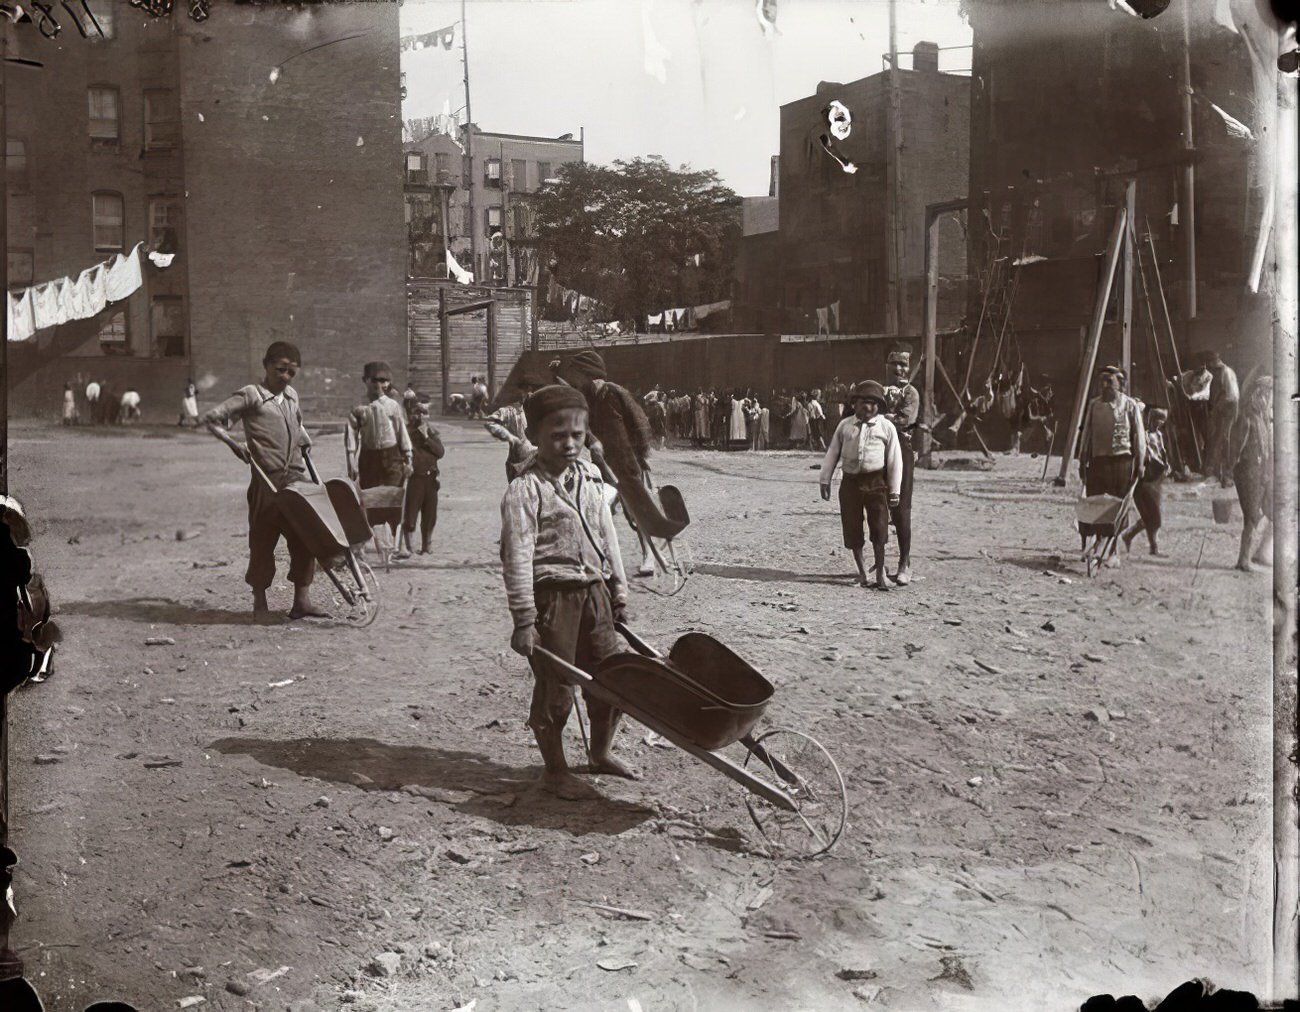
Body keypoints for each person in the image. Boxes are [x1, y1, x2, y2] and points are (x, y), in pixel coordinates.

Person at [499, 384, 635, 800]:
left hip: (595, 591)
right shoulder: (526, 490)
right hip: (554, 599)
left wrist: (619, 588)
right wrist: (524, 620)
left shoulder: (591, 478)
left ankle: (599, 753)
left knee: (613, 677)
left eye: (578, 434)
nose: (570, 444)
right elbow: (517, 556)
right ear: (535, 436)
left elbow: (607, 534)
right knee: (557, 687)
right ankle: (555, 771)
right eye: (559, 436)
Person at [201, 341, 326, 619]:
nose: (285, 377)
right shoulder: (252, 395)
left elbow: (298, 422)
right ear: (266, 366)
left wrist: (303, 440)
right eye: (280, 370)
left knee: (305, 538)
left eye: (291, 372)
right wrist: (235, 445)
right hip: (266, 483)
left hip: (295, 479)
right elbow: (212, 419)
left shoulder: (292, 396)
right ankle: (260, 604)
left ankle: (301, 602)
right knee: (263, 541)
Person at [819, 381, 903, 591]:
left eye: (874, 403)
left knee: (879, 528)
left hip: (876, 484)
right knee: (852, 527)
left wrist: (894, 491)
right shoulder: (845, 426)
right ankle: (863, 573)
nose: (868, 408)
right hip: (850, 483)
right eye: (864, 402)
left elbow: (895, 460)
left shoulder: (886, 427)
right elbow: (833, 452)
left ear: (880, 406)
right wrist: (825, 479)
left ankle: (881, 575)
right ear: (854, 403)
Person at [1077, 366, 1146, 565]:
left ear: (1120, 384)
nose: (1105, 386)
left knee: (1117, 506)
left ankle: (1113, 551)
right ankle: (1098, 544)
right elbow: (1086, 434)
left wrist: (1140, 463)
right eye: (1102, 382)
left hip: (1121, 463)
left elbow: (1139, 437)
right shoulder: (1094, 405)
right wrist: (1083, 460)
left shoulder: (1130, 405)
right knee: (1098, 505)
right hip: (1098, 462)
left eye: (1110, 381)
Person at [346, 361, 414, 558]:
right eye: (374, 380)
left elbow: (402, 432)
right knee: (369, 499)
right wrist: (351, 458)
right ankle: (364, 543)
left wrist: (408, 457)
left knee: (394, 499)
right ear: (365, 381)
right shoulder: (359, 407)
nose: (379, 384)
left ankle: (398, 543)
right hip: (369, 457)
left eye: (384, 380)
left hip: (392, 456)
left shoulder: (392, 406)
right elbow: (351, 433)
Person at [883, 349, 920, 586]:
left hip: (902, 451)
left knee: (901, 508)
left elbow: (905, 420)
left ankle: (904, 562)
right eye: (895, 364)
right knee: (878, 507)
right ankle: (880, 560)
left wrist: (883, 417)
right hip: (879, 451)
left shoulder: (911, 393)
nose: (900, 370)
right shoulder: (878, 390)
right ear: (887, 366)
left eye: (904, 365)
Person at [1230, 375, 1273, 572]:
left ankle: (1251, 555)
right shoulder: (1246, 419)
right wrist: (1230, 471)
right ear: (1254, 397)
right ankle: (1243, 559)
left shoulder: (1261, 419)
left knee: (1264, 512)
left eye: (1268, 395)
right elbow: (1236, 450)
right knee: (1251, 516)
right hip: (1248, 472)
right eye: (1263, 395)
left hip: (1259, 472)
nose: (1266, 400)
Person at [1121, 406, 1169, 557]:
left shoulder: (1159, 436)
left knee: (1153, 515)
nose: (1159, 423)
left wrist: (1166, 464)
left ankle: (1135, 538)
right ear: (1151, 419)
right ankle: (1144, 543)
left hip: (1156, 477)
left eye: (1162, 421)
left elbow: (1162, 452)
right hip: (1145, 478)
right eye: (1157, 420)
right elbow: (1144, 455)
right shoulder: (1144, 436)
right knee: (1152, 516)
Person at [402, 397, 445, 556]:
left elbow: (440, 452)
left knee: (430, 514)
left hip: (431, 478)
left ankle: (427, 545)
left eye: (424, 413)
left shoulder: (432, 432)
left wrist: (426, 437)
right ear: (410, 414)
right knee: (410, 513)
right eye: (416, 412)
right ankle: (409, 547)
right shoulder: (406, 433)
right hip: (414, 478)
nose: (420, 416)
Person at [1204, 351, 1239, 487]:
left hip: (1228, 410)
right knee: (1217, 440)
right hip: (1221, 410)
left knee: (1224, 440)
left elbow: (1231, 396)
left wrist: (1218, 407)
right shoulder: (1217, 372)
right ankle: (1218, 474)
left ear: (1215, 362)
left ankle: (1227, 475)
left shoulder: (1226, 372)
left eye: (1210, 364)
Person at [485, 387, 534, 481]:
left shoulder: (535, 411)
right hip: (519, 458)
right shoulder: (510, 411)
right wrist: (509, 437)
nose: (530, 395)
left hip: (534, 457)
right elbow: (490, 421)